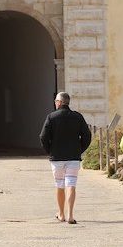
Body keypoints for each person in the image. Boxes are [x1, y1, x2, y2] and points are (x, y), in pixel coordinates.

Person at [39, 91, 92, 224]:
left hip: (57, 158)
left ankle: (61, 214)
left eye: (56, 101)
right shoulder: (78, 117)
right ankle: (71, 215)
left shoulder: (51, 117)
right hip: (73, 157)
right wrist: (80, 149)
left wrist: (49, 150)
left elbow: (43, 136)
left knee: (60, 185)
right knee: (71, 185)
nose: (55, 103)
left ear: (59, 102)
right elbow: (87, 136)